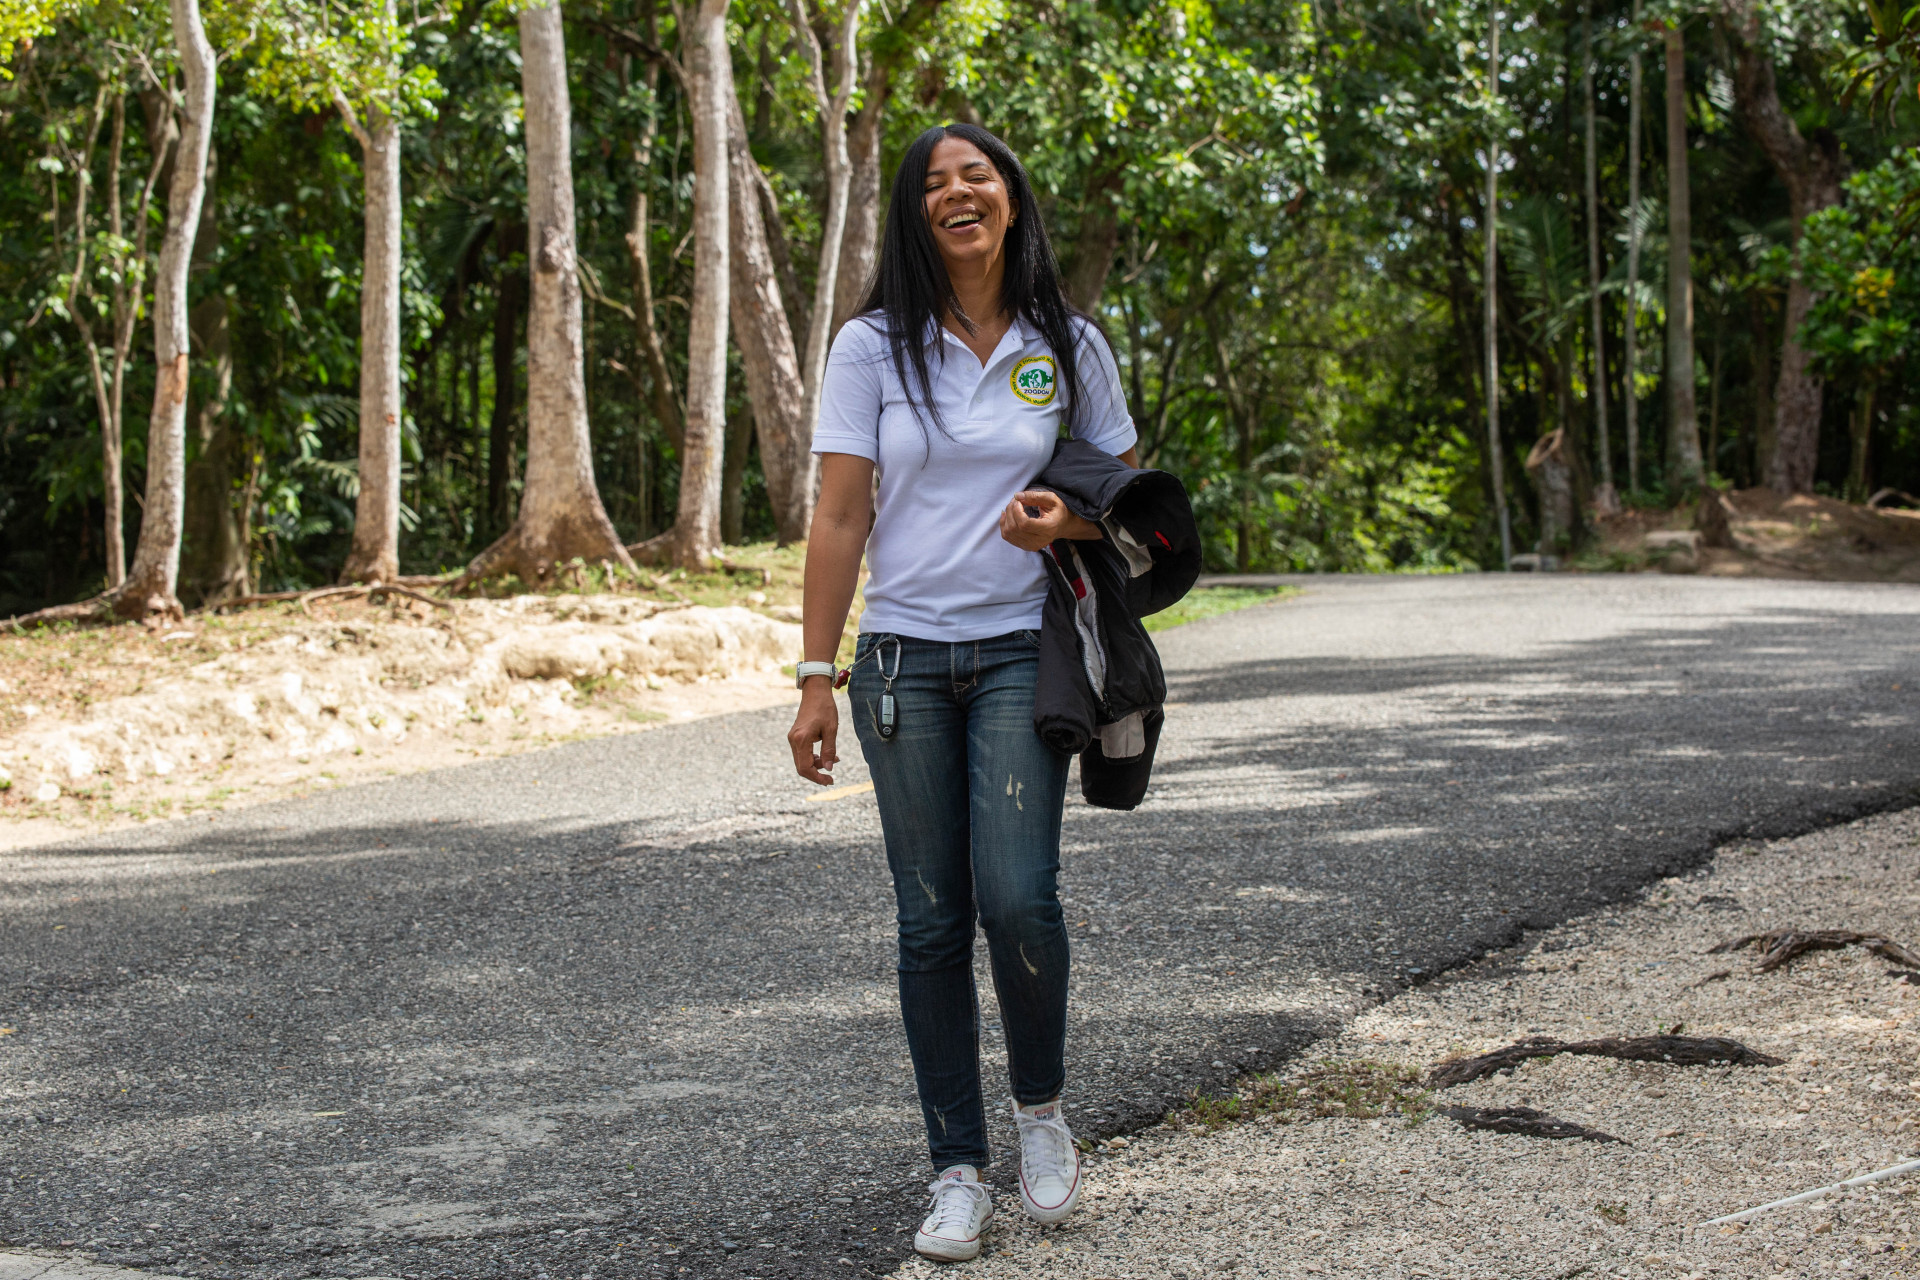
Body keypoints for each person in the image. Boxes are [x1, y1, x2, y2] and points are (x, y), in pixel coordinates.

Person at [785, 122, 1139, 1263]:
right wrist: (814, 676)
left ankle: (1040, 1111)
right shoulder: (871, 348)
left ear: (1010, 196)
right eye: (934, 183)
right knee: (930, 917)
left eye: (976, 175)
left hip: (1021, 652)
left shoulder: (1067, 341)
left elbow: (1124, 496)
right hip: (901, 664)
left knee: (1020, 898)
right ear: (915, 213)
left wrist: (1066, 519)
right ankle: (956, 1169)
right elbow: (840, 514)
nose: (957, 193)